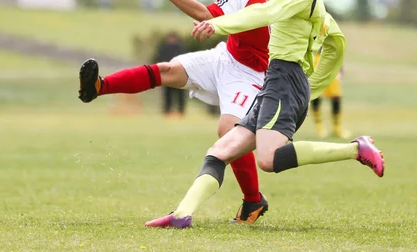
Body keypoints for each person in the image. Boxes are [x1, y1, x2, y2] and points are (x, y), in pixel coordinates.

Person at [145, 0, 385, 228]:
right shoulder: (319, 10)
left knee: (268, 159)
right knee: (220, 152)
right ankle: (181, 216)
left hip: (284, 80)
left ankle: (356, 149)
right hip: (279, 81)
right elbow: (337, 44)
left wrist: (218, 24)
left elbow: (264, 13)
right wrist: (311, 88)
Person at [78, 0, 271, 224]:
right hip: (226, 58)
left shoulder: (289, 5)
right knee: (166, 70)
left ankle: (253, 200)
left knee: (228, 130)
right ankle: (99, 87)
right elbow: (208, 14)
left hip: (253, 74)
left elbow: (206, 16)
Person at [311, 46, 350, 139]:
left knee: (336, 96)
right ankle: (319, 126)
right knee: (316, 94)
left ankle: (337, 128)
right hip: (316, 56)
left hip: (331, 57)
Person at [154, 32, 187, 118]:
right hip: (167, 74)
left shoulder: (180, 48)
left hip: (179, 74)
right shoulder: (164, 48)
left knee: (180, 94)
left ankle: (181, 112)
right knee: (167, 94)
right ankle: (167, 111)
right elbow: (159, 59)